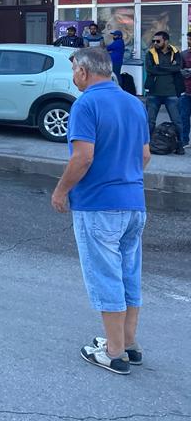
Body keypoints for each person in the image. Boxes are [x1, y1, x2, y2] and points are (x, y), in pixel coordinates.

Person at [52, 47, 150, 375]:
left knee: (106, 276)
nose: (73, 77)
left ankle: (114, 352)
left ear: (83, 71)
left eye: (73, 71)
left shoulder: (86, 104)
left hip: (98, 205)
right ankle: (129, 343)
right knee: (128, 273)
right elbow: (145, 156)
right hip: (133, 203)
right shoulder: (133, 103)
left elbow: (83, 157)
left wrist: (61, 190)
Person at [144, 30, 184, 155]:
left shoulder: (176, 53)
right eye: (154, 41)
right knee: (150, 122)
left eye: (158, 41)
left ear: (166, 41)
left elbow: (178, 68)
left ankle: (180, 146)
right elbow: (150, 69)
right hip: (153, 93)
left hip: (172, 93)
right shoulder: (150, 53)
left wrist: (160, 67)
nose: (155, 43)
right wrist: (169, 68)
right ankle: (146, 146)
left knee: (177, 121)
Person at [179, 32, 191, 149]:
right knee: (184, 117)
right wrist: (186, 72)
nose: (189, 41)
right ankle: (184, 140)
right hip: (186, 91)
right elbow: (179, 70)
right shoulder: (184, 54)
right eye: (188, 39)